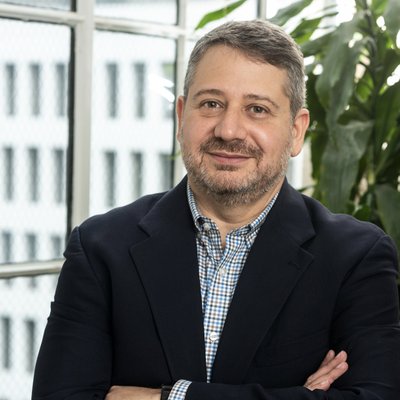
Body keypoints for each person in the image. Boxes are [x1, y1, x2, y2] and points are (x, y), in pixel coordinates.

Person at [32, 20, 400, 400]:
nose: (229, 130)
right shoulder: (100, 247)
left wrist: (173, 397)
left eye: (257, 109)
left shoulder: (355, 256)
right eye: (211, 104)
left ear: (296, 131)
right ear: (181, 117)